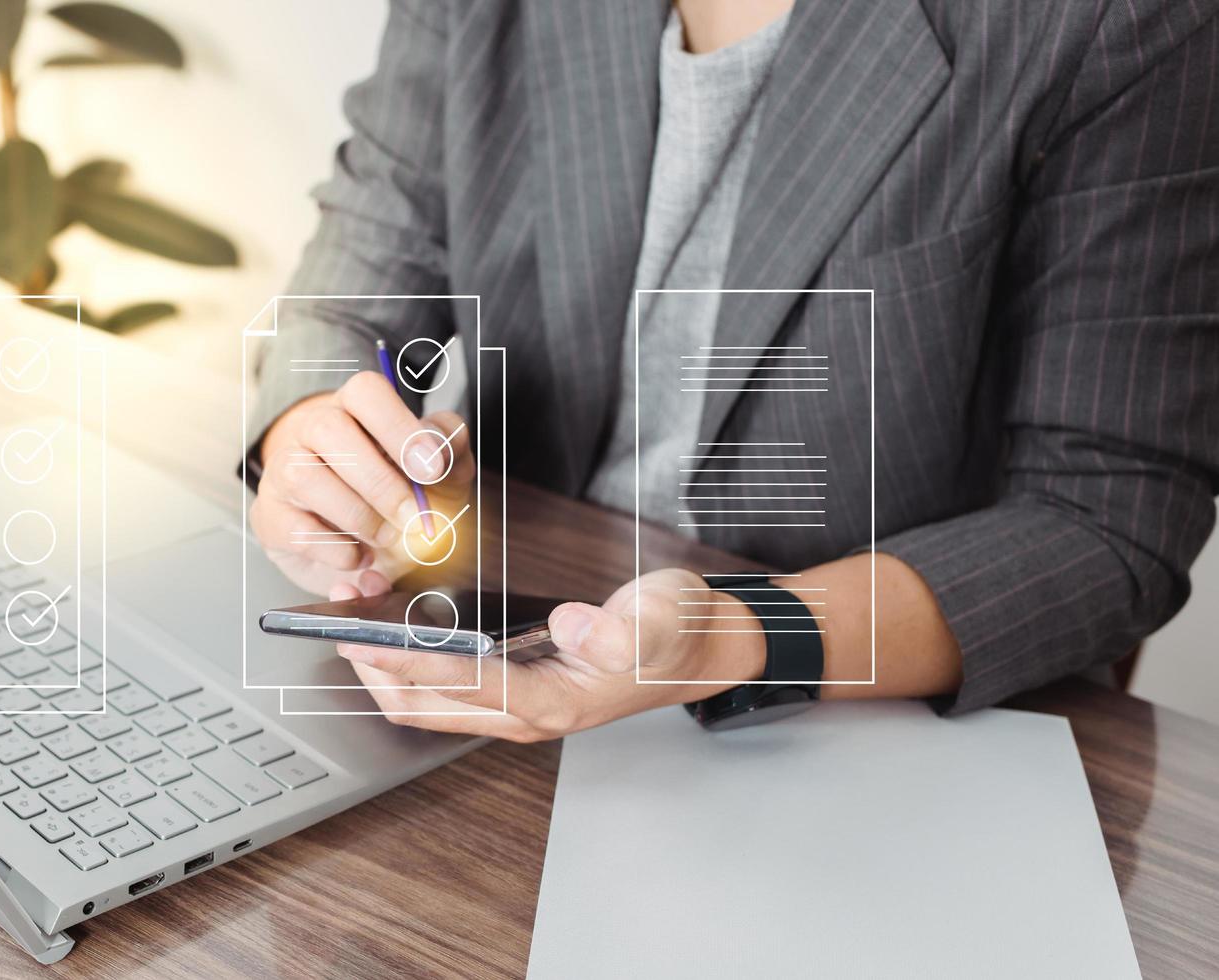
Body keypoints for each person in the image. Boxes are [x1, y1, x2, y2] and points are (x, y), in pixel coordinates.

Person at [243, 0, 1219, 740]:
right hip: (488, 649)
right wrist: (310, 436)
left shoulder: (1107, 23)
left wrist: (732, 635)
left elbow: (1108, 518)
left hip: (847, 715)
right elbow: (369, 245)